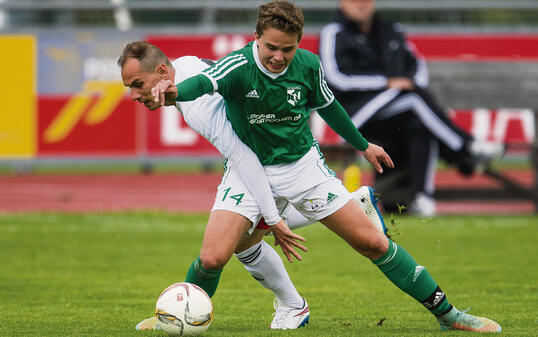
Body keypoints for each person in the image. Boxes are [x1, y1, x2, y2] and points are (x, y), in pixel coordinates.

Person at [152, 0, 502, 332]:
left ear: (298, 43)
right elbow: (202, 83)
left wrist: (364, 146)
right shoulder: (238, 65)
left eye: (287, 49)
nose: (278, 57)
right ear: (256, 38)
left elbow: (329, 105)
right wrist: (172, 92)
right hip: (249, 171)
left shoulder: (308, 65)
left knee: (373, 244)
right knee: (213, 257)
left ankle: (450, 315)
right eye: (271, 47)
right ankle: (172, 314)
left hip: (304, 168)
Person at [118, 41, 385, 330]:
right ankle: (295, 299)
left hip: (266, 160)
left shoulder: (198, 107)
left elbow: (245, 158)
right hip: (260, 154)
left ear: (161, 72)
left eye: (137, 84)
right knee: (231, 247)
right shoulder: (184, 66)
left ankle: (174, 319)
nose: (133, 95)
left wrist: (272, 218)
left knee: (216, 254)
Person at [319, 0, 505, 216]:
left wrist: (402, 87)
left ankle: (422, 199)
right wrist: (387, 83)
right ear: (342, 3)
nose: (361, 4)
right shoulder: (333, 33)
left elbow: (418, 69)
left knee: (420, 122)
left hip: (398, 109)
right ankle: (467, 150)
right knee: (416, 101)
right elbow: (335, 78)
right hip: (357, 117)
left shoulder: (392, 30)